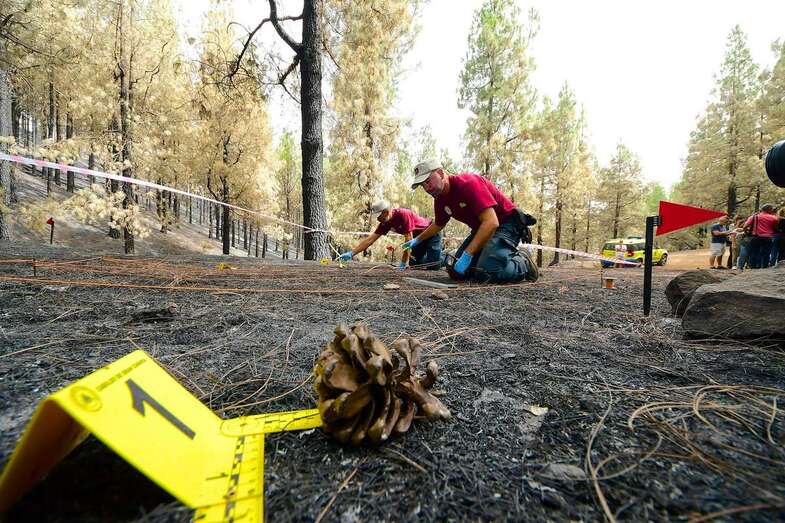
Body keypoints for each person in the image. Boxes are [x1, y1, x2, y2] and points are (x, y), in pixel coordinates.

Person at [404, 159, 537, 283]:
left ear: (440, 173)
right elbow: (439, 224)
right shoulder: (440, 198)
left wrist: (468, 255)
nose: (427, 188)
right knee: (456, 272)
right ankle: (488, 259)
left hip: (505, 224)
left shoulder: (468, 184)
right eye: (423, 185)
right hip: (482, 228)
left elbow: (492, 222)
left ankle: (522, 261)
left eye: (428, 182)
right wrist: (417, 240)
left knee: (488, 272)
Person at [337, 200, 442, 269]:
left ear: (386, 212)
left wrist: (402, 263)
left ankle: (445, 258)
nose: (378, 220)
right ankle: (434, 257)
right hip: (417, 239)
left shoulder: (403, 214)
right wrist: (351, 253)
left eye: (379, 217)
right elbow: (370, 240)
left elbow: (408, 239)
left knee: (433, 266)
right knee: (415, 265)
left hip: (431, 233)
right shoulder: (385, 223)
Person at [745, 204, 780, 269]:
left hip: (756, 237)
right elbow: (776, 228)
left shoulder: (753, 217)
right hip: (768, 238)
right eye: (772, 209)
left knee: (754, 252)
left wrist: (746, 232)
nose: (772, 210)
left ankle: (753, 267)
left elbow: (745, 226)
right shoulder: (774, 218)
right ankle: (764, 267)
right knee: (766, 253)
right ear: (769, 210)